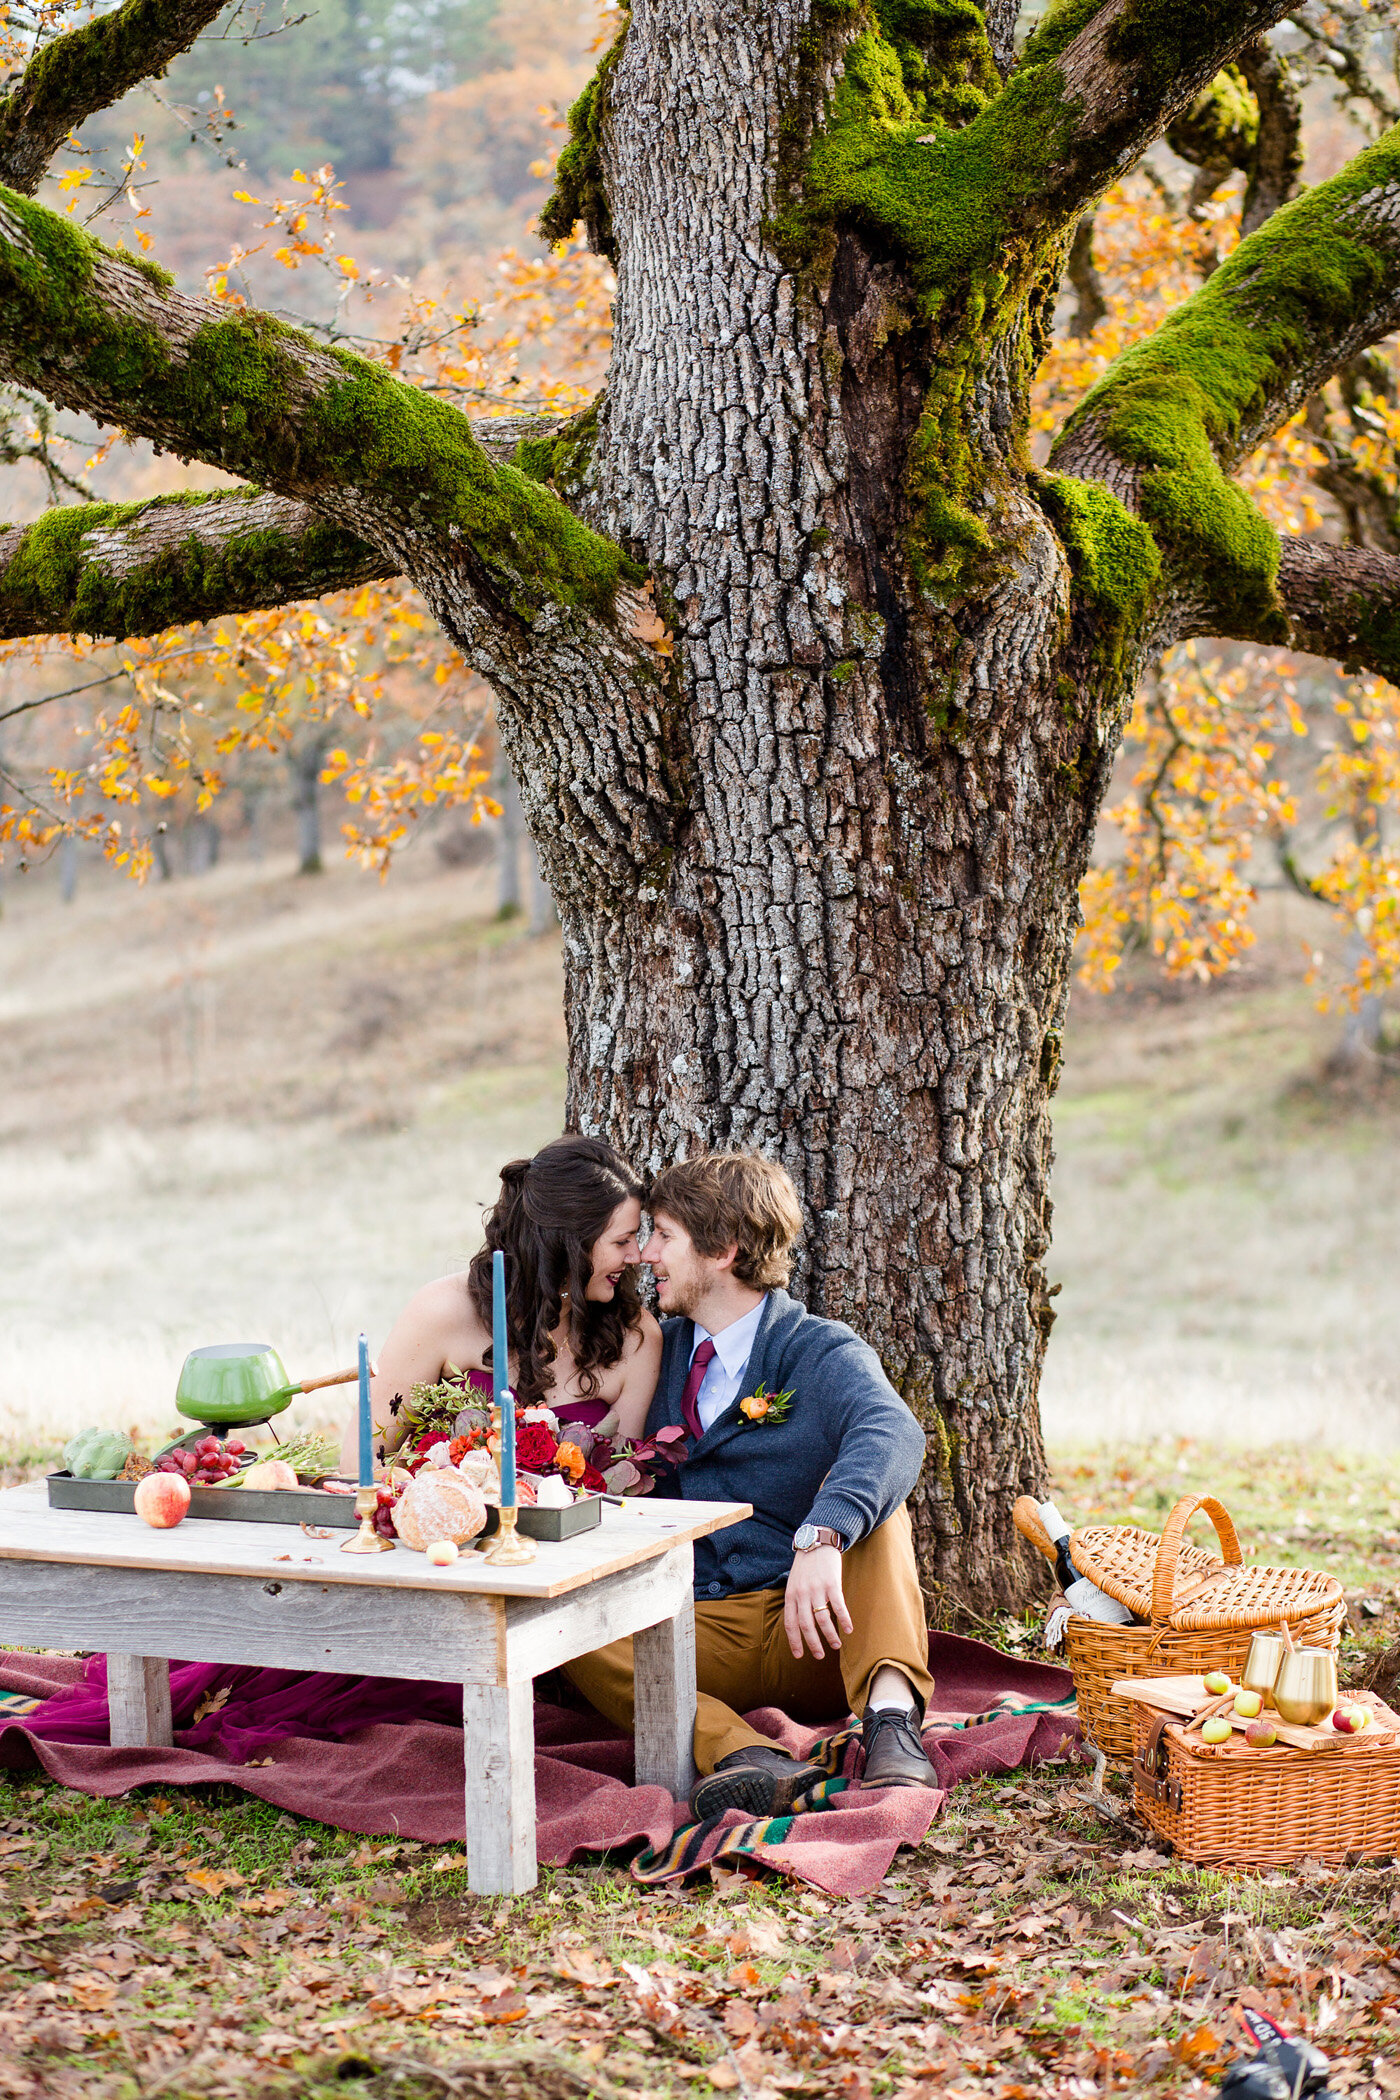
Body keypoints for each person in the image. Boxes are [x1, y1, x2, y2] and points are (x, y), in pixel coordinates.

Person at [564, 1150, 940, 1816]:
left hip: (820, 1630)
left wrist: (821, 1537)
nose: (646, 1253)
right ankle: (746, 1757)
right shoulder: (654, 1353)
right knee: (568, 1626)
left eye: (664, 1236)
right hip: (698, 1634)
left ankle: (890, 1726)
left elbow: (893, 1433)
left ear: (722, 1251)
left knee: (883, 1517)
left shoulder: (816, 1349)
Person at [341, 1134, 662, 1472]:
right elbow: (359, 1466)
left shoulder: (635, 1338)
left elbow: (624, 1486)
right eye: (622, 1241)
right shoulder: (441, 1312)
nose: (636, 1256)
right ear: (568, 1244)